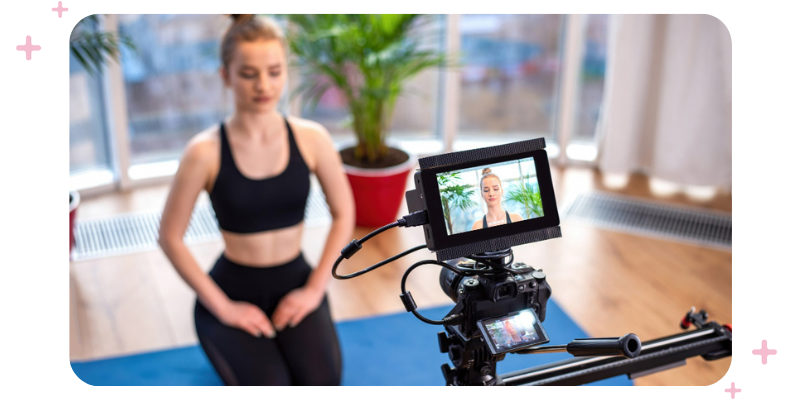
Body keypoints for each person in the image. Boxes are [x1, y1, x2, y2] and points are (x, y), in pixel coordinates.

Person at [157, 14, 355, 386]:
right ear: (226, 76)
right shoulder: (203, 152)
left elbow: (344, 214)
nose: (264, 85)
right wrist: (224, 308)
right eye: (248, 74)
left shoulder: (312, 138)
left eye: (274, 72)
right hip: (231, 290)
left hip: (297, 282)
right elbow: (170, 237)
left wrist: (314, 290)